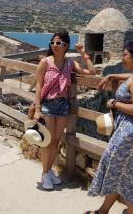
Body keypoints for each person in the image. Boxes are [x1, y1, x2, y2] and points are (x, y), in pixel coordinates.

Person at [85, 40, 133, 214]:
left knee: (128, 173)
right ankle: (103, 211)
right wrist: (113, 76)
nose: (123, 58)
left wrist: (115, 104)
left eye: (125, 54)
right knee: (125, 172)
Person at [33, 32, 96, 190]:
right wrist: (37, 108)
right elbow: (39, 86)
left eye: (58, 43)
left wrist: (83, 54)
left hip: (63, 106)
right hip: (47, 105)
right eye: (52, 43)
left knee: (55, 141)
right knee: (47, 142)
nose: (54, 45)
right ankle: (45, 173)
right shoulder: (45, 62)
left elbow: (92, 72)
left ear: (66, 46)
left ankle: (50, 171)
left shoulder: (70, 63)